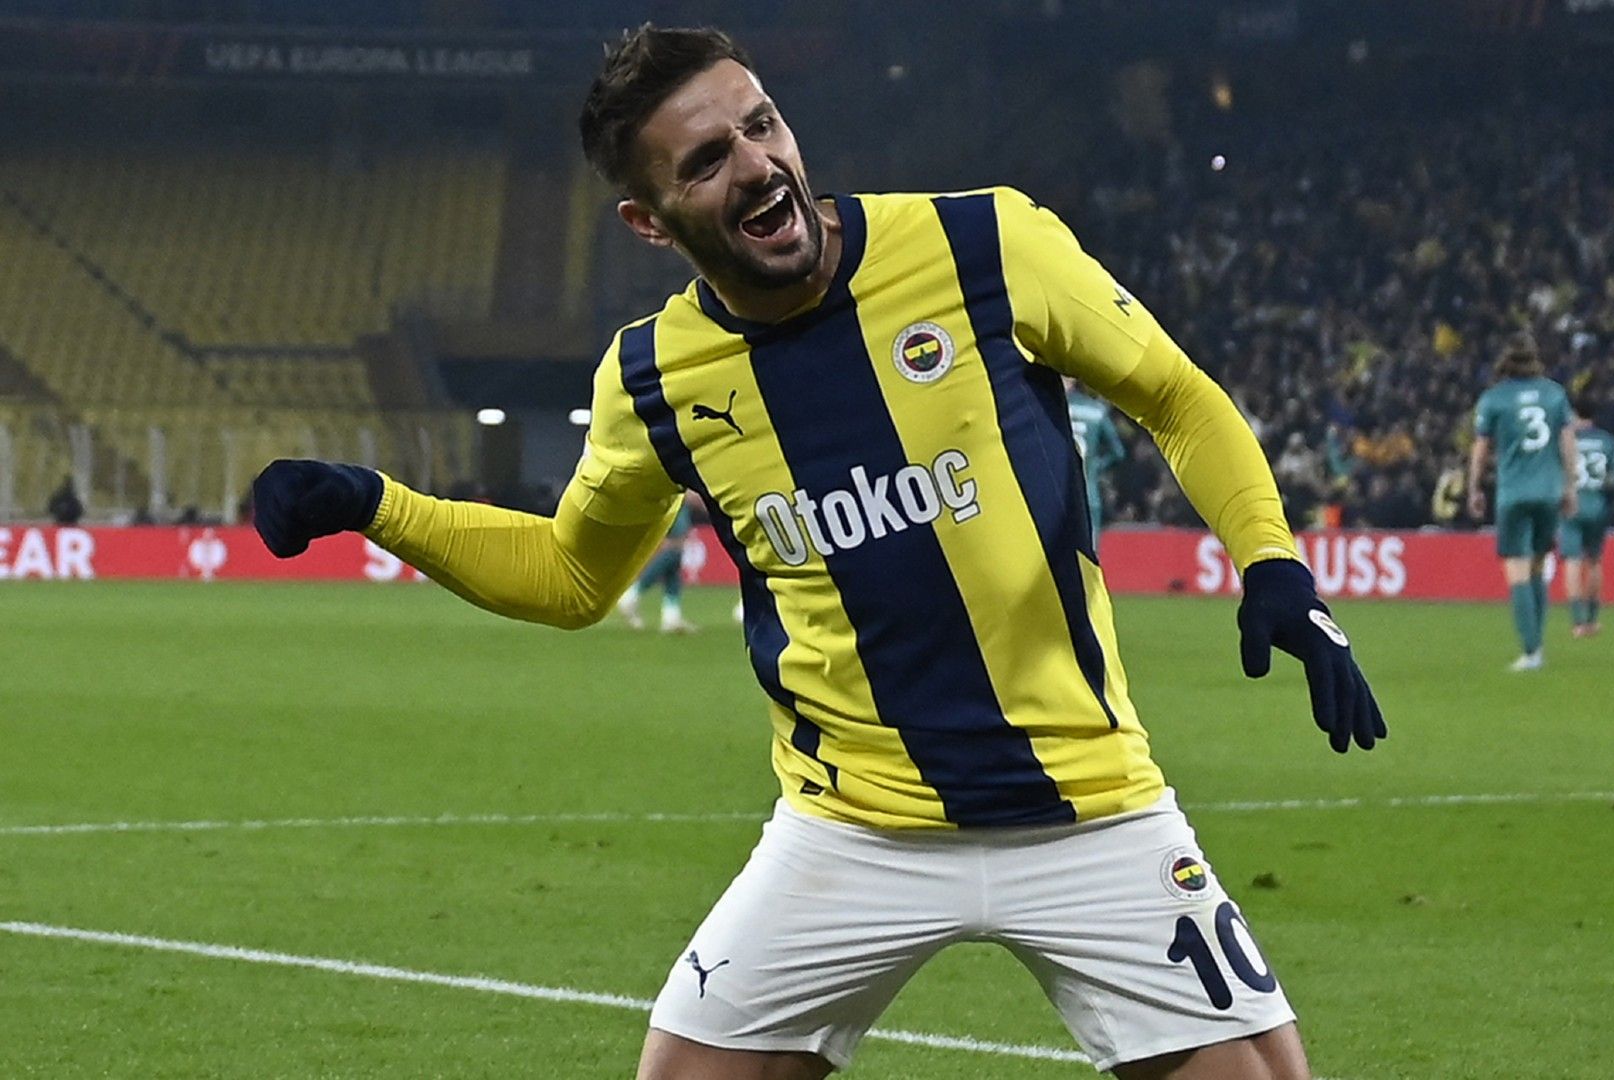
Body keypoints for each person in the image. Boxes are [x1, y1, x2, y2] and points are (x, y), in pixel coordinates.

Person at [251, 25, 1384, 1080]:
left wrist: (1275, 564)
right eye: (704, 161)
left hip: (1088, 808)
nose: (754, 165)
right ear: (650, 221)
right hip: (851, 834)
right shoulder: (654, 380)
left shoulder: (982, 242)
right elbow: (571, 574)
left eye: (761, 124)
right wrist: (376, 504)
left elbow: (1176, 398)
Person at [1467, 339, 1580, 671]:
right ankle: (1538, 643)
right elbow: (1568, 442)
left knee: (1516, 568)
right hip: (1548, 491)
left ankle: (1531, 652)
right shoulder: (1555, 394)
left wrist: (1474, 487)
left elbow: (1481, 447)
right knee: (1538, 565)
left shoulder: (1493, 399)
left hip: (1513, 493)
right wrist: (1570, 486)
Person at [1560, 397, 1614, 637]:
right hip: (1598, 506)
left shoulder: (1567, 438)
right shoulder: (1607, 441)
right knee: (1594, 561)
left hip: (1572, 505)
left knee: (1572, 562)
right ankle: (1592, 619)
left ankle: (1578, 621)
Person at [617, 496, 699, 632]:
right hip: (672, 504)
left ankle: (671, 615)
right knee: (673, 552)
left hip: (675, 506)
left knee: (673, 569)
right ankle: (632, 595)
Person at [1066, 377, 1126, 546]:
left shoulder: (1051, 406)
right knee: (1090, 554)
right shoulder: (1097, 412)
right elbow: (1118, 453)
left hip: (1057, 495)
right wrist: (1096, 466)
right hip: (1089, 493)